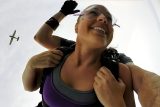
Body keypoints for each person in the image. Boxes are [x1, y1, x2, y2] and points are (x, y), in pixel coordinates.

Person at [22, 0, 160, 107]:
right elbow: (30, 86)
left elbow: (145, 83)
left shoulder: (119, 70)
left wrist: (116, 104)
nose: (103, 19)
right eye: (93, 13)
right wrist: (30, 65)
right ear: (76, 26)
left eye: (109, 19)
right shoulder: (58, 55)